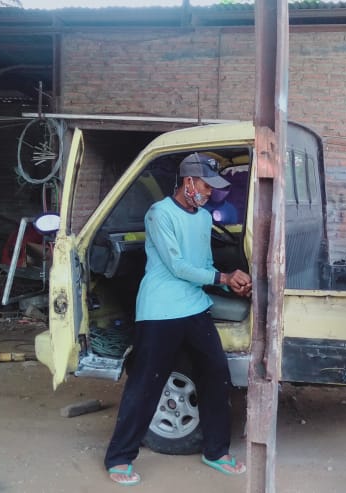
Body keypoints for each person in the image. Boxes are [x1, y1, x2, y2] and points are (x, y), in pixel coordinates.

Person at [104, 152, 252, 486]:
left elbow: (203, 262)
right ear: (188, 183)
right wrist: (225, 278)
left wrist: (232, 284)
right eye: (205, 185)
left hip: (194, 306)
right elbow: (178, 266)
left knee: (216, 375)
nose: (210, 193)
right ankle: (119, 457)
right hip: (160, 310)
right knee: (146, 384)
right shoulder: (159, 214)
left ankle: (215, 451)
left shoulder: (201, 218)